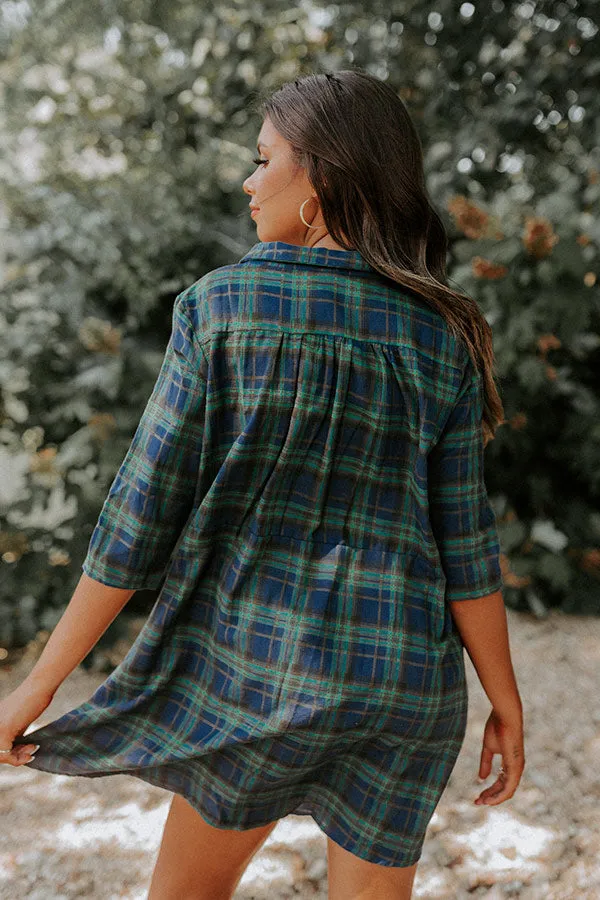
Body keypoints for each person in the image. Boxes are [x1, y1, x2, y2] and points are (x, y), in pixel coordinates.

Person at [0, 69, 524, 900]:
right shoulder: (443, 333)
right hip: (401, 684)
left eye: (265, 158)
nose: (249, 180)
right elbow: (465, 540)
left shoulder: (221, 308)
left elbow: (141, 515)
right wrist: (505, 700)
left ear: (319, 180)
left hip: (256, 672)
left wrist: (37, 683)